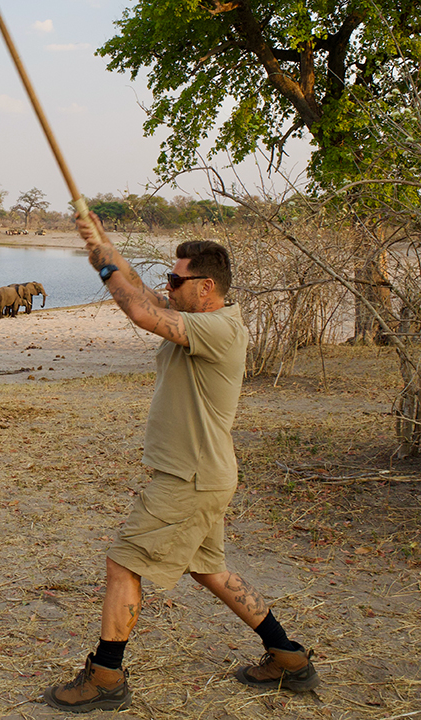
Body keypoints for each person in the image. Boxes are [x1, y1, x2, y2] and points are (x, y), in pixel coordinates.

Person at [43, 212, 320, 713]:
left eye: (176, 280)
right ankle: (288, 657)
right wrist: (101, 244)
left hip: (189, 479)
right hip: (203, 474)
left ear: (206, 287)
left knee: (124, 563)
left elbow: (140, 312)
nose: (167, 287)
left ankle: (106, 676)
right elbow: (143, 297)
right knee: (209, 570)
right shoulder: (196, 320)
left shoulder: (219, 328)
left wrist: (104, 265)